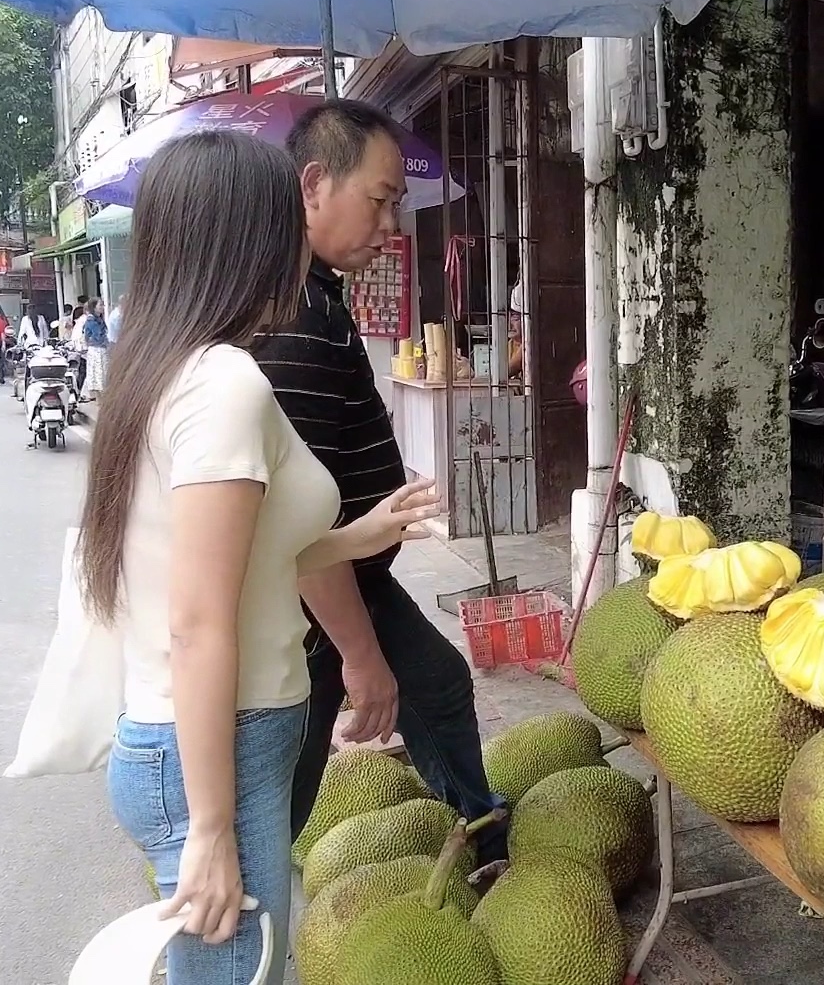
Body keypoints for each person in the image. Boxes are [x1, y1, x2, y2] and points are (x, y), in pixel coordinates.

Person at [76, 130, 439, 983]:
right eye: (286, 222)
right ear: (252, 239)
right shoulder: (224, 386)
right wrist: (210, 830)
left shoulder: (160, 368)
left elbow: (242, 563)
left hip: (209, 743)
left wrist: (362, 532)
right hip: (217, 749)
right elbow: (199, 623)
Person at [251, 99, 508, 862]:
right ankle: (239, 914)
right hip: (311, 589)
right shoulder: (292, 319)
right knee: (289, 773)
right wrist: (361, 659)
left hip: (350, 576)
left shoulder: (317, 296)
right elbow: (296, 529)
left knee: (435, 680)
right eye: (382, 199)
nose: (392, 225)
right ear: (313, 186)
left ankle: (482, 826)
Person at [80, 298, 110, 400]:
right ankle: (100, 400)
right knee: (99, 377)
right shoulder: (92, 321)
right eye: (100, 305)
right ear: (94, 307)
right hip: (97, 350)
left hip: (101, 349)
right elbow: (98, 336)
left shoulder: (99, 319)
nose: (102, 307)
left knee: (102, 375)